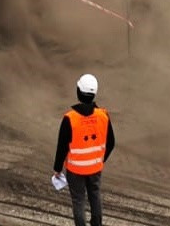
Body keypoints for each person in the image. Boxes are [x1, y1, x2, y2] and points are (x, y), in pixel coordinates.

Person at [52, 73, 115, 226]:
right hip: (95, 168)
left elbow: (62, 147)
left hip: (76, 170)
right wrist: (100, 159)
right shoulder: (103, 115)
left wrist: (57, 169)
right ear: (94, 94)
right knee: (95, 196)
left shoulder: (70, 118)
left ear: (78, 91)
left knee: (78, 201)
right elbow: (111, 142)